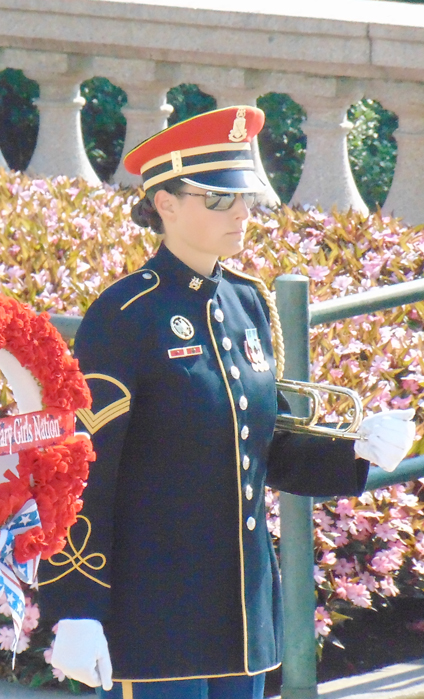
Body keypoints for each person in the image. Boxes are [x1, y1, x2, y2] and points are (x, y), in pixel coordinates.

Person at [38, 106, 416, 699]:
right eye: (218, 199)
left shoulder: (245, 304)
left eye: (246, 198)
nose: (242, 212)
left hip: (241, 621)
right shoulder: (124, 317)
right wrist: (76, 605)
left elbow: (257, 450)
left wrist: (358, 450)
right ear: (164, 203)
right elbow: (82, 471)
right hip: (155, 622)